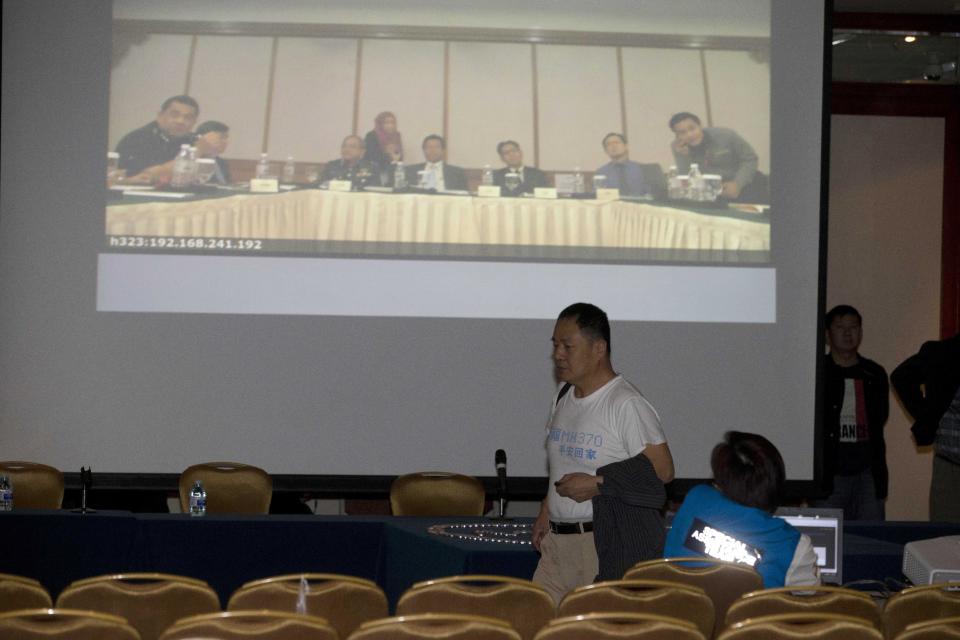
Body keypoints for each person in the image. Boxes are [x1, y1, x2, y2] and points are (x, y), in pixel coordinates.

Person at [532, 303, 674, 605]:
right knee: (535, 623)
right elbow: (562, 464)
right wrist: (547, 509)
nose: (558, 354)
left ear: (599, 348)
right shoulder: (562, 396)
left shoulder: (626, 404)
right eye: (555, 345)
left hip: (599, 544)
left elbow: (662, 473)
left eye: (568, 346)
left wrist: (597, 483)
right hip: (556, 545)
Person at [664, 431, 820, 588]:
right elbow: (812, 603)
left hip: (680, 610)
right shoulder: (792, 545)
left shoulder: (696, 498)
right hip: (752, 613)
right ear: (774, 484)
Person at [813, 305, 889, 520]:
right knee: (826, 537)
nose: (848, 333)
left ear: (861, 332)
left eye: (853, 327)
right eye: (840, 327)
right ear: (827, 335)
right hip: (830, 473)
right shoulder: (818, 371)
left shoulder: (874, 372)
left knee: (871, 540)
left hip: (868, 472)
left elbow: (881, 417)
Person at [891, 333, 960, 522]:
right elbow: (901, 376)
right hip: (951, 465)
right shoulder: (945, 352)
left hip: (949, 463)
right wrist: (926, 416)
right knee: (946, 540)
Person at [668, 112, 768, 203]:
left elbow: (750, 159)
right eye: (682, 132)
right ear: (677, 136)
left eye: (692, 128)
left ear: (700, 126)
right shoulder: (678, 147)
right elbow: (687, 180)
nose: (689, 135)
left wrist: (737, 184)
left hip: (745, 183)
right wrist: (685, 157)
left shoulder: (725, 135)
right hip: (712, 191)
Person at [115, 95, 199, 182]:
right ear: (160, 116)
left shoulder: (194, 141)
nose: (180, 121)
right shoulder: (136, 139)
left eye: (188, 117)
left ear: (194, 122)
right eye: (174, 115)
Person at [594, 133, 667, 199]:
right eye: (609, 144)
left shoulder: (642, 169)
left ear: (626, 146)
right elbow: (598, 196)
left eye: (617, 142)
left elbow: (653, 194)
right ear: (605, 151)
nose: (613, 146)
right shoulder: (601, 173)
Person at [194, 120, 232, 184]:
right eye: (222, 137)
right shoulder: (194, 160)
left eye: (227, 137)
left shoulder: (222, 162)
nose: (226, 141)